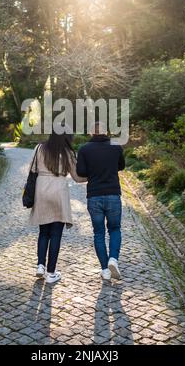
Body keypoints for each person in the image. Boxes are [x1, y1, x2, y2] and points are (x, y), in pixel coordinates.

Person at [28, 132, 86, 284]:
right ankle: (51, 272)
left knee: (43, 232)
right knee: (55, 234)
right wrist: (95, 175)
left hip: (41, 190)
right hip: (59, 191)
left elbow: (32, 170)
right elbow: (78, 177)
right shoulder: (67, 153)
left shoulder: (39, 148)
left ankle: (40, 265)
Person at [76, 122, 125, 281]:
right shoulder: (116, 147)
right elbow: (121, 166)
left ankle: (105, 269)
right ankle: (113, 259)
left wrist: (94, 169)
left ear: (91, 132)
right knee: (115, 229)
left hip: (94, 196)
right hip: (113, 194)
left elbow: (81, 172)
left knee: (98, 233)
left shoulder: (84, 149)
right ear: (106, 131)